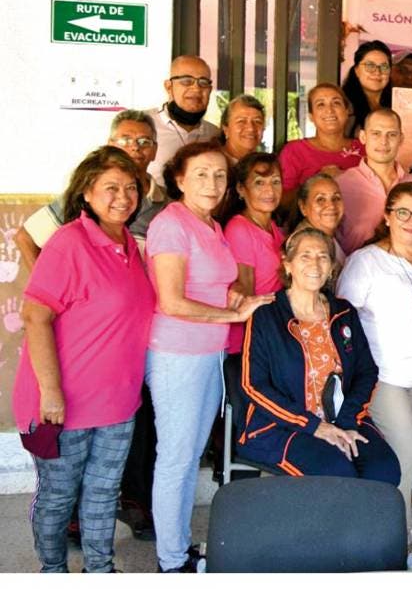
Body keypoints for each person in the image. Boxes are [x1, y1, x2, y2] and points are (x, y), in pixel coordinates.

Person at [14, 147, 154, 573]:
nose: (123, 197)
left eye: (131, 188)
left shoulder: (131, 245)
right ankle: (53, 572)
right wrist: (51, 392)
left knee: (103, 493)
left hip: (118, 403)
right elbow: (35, 315)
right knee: (59, 496)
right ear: (87, 193)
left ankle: (100, 570)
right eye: (111, 187)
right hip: (63, 402)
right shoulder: (70, 242)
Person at [145, 141, 273, 572]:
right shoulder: (171, 224)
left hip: (208, 352)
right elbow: (171, 301)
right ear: (179, 179)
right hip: (178, 354)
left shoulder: (211, 225)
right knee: (177, 458)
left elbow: (218, 283)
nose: (212, 183)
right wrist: (232, 314)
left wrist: (237, 297)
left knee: (190, 453)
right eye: (201, 174)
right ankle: (170, 561)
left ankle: (179, 549)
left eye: (220, 175)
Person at [336, 183, 412, 544]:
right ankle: (397, 539)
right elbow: (342, 321)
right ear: (387, 216)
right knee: (406, 450)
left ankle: (382, 516)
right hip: (382, 375)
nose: (411, 220)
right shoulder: (366, 261)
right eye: (402, 212)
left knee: (411, 452)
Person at [237, 227, 401, 484]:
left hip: (341, 418)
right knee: (337, 475)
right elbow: (253, 385)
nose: (315, 264)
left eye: (323, 256)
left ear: (331, 268)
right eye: (305, 256)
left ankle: (365, 514)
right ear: (288, 265)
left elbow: (366, 371)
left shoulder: (343, 312)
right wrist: (315, 427)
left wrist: (347, 422)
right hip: (280, 426)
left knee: (383, 471)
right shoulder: (266, 314)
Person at [16, 109, 168, 266]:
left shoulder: (167, 205)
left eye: (144, 142)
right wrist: (44, 280)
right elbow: (26, 238)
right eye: (125, 140)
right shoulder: (89, 193)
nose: (135, 147)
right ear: (110, 145)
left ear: (154, 151)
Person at [217, 152, 287, 354]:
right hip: (250, 340)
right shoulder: (239, 229)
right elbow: (246, 294)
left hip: (270, 331)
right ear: (241, 189)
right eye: (259, 183)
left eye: (275, 181)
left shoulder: (274, 228)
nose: (269, 190)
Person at [333, 108, 412, 254]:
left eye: (391, 134)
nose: (384, 142)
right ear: (363, 137)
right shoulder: (341, 185)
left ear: (401, 139)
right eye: (376, 133)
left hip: (405, 267)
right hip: (354, 267)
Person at [278, 83, 364, 196]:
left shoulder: (365, 148)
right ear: (311, 116)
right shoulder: (294, 151)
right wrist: (317, 180)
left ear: (347, 111)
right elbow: (281, 199)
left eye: (336, 103)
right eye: (321, 104)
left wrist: (346, 177)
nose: (329, 110)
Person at [147, 56, 221, 187]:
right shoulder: (143, 125)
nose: (196, 89)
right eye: (187, 81)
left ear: (209, 90)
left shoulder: (215, 134)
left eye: (203, 83)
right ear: (169, 87)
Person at [287, 173, 347, 267]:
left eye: (336, 198)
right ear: (303, 207)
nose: (331, 206)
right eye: (320, 199)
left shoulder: (326, 236)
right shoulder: (307, 246)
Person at [341, 40, 393, 133]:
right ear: (356, 70)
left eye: (384, 67)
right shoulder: (344, 106)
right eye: (370, 66)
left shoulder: (396, 105)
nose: (377, 72)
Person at [218, 94, 265, 165]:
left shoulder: (267, 165)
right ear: (226, 130)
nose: (251, 128)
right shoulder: (211, 163)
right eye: (241, 121)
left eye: (257, 121)